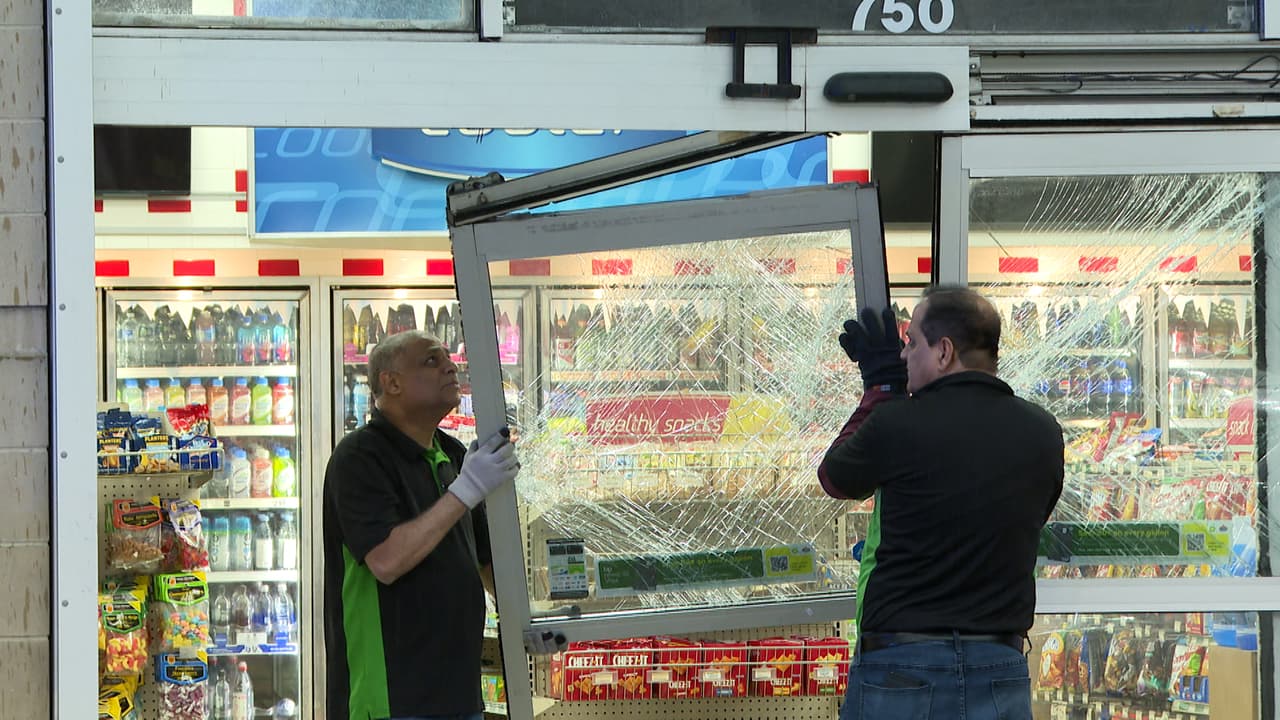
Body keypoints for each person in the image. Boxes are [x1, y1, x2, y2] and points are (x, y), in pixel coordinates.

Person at [818, 286, 1064, 720]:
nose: (903, 355)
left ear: (944, 352)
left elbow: (835, 478)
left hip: (901, 672)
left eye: (912, 343)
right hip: (1000, 670)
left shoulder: (897, 424)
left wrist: (880, 388)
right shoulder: (1044, 432)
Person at [323, 329, 519, 720]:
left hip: (459, 696)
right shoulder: (359, 458)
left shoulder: (453, 454)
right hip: (390, 701)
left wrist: (527, 620)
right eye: (431, 360)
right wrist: (466, 489)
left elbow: (485, 562)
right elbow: (386, 561)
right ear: (391, 382)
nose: (450, 367)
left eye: (448, 358)